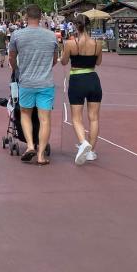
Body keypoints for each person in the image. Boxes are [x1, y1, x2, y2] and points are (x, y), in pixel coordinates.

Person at [8, 4, 58, 165]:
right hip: (45, 83)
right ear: (41, 17)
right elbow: (54, 60)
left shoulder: (17, 35)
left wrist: (17, 69)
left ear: (25, 17)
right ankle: (41, 155)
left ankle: (30, 146)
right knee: (45, 119)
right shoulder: (51, 36)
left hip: (26, 81)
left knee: (25, 114)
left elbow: (11, 58)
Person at [60, 14, 103, 165]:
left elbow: (64, 62)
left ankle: (83, 142)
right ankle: (91, 151)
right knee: (94, 117)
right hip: (93, 79)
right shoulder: (98, 43)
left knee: (77, 117)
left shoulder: (71, 44)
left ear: (76, 26)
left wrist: (64, 54)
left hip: (77, 79)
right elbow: (98, 62)